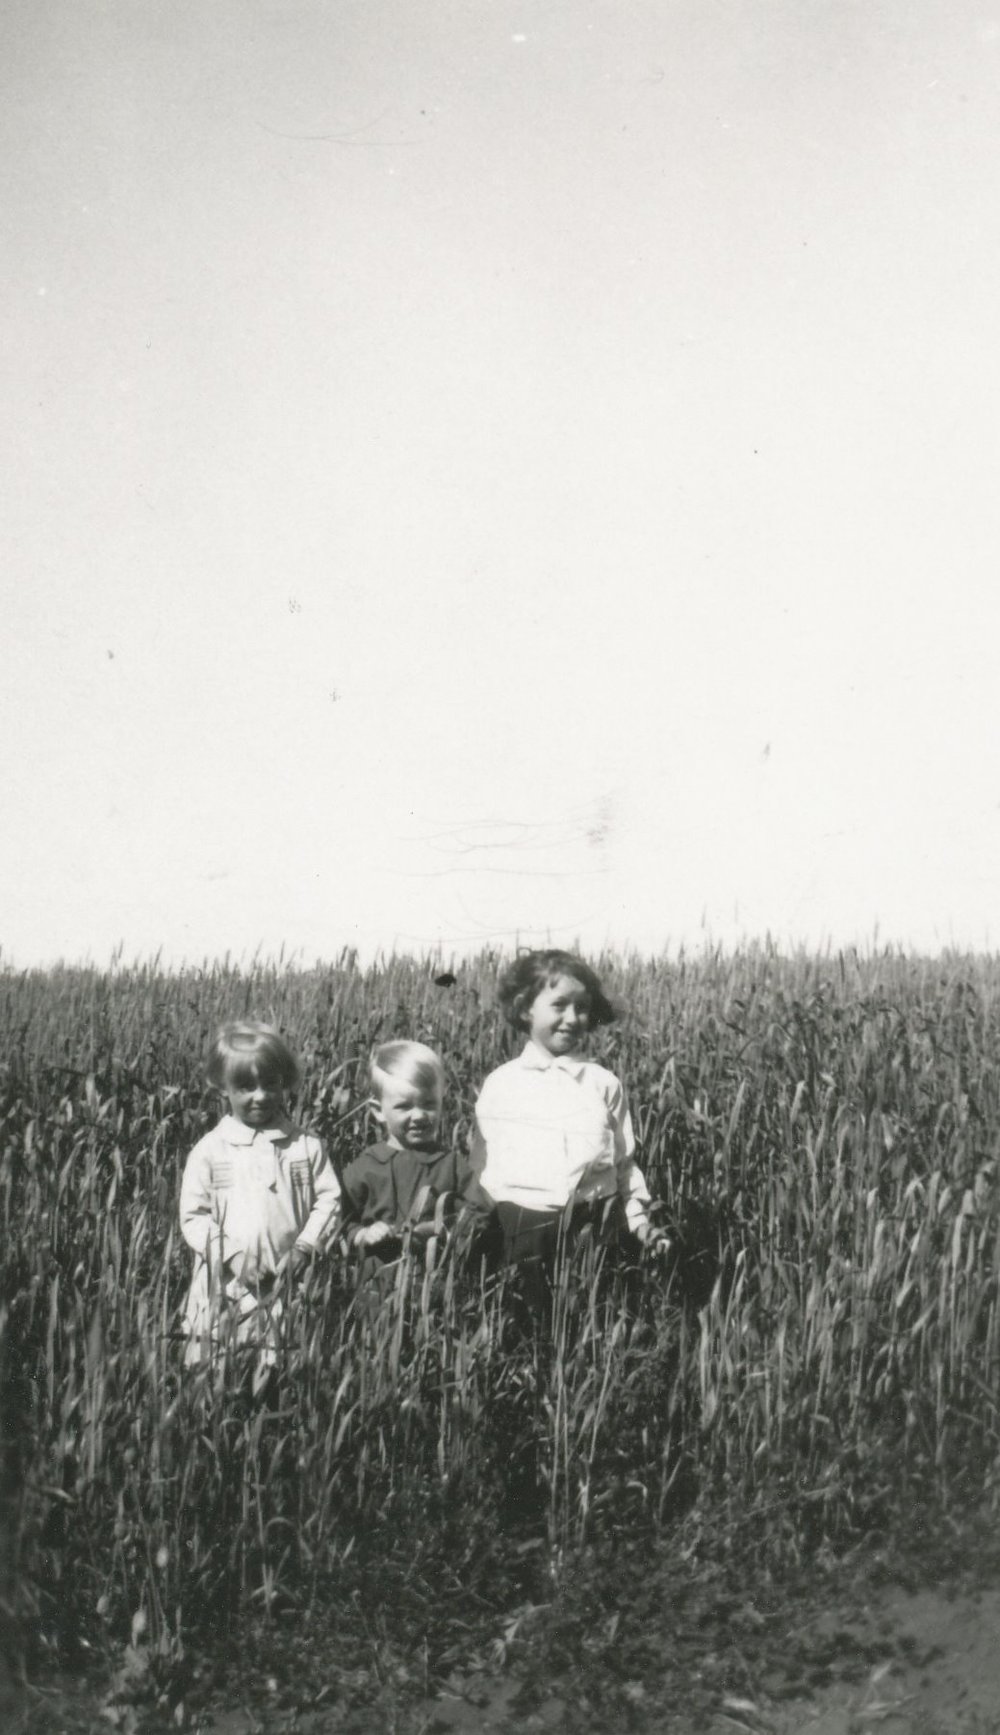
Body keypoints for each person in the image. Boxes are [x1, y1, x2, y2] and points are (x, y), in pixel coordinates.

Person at [471, 949, 668, 1318]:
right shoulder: (502, 1084)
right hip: (521, 1226)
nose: (572, 1018)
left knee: (594, 1320)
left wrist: (639, 1222)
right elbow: (482, 1165)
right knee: (524, 1325)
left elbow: (625, 1164)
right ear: (525, 1007)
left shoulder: (603, 1084)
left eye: (581, 1007)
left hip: (593, 1225)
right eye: (559, 1005)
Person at [179, 1021, 341, 1373]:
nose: (260, 1095)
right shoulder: (210, 1150)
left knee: (283, 1362)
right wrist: (232, 1256)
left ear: (285, 1082)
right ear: (223, 1087)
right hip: (226, 1282)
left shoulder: (305, 1147)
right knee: (219, 1362)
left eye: (270, 1084)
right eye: (246, 1086)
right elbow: (194, 1216)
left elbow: (330, 1202)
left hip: (288, 1280)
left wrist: (304, 1249)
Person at [342, 1040, 490, 1265]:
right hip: (376, 1284)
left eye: (429, 1104)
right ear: (378, 1111)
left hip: (434, 1282)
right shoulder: (365, 1167)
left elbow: (481, 1211)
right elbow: (339, 1221)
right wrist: (363, 1234)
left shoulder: (451, 1165)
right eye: (404, 1106)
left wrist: (442, 1228)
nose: (419, 1115)